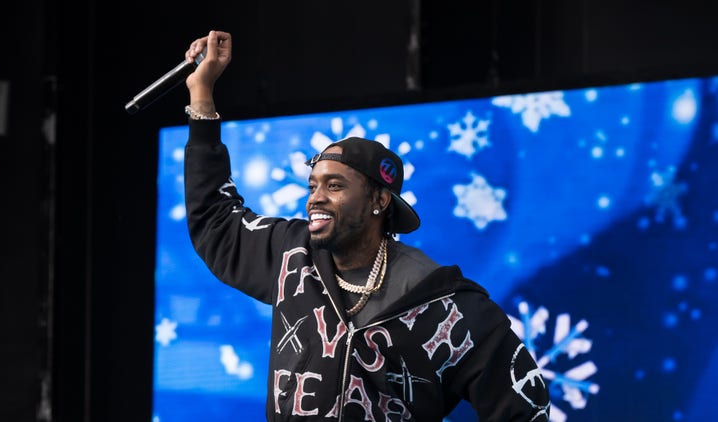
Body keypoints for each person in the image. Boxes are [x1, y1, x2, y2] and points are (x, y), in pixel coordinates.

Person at [182, 30, 551, 421]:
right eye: (313, 185)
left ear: (379, 201)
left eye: (335, 186)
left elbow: (525, 408)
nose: (315, 198)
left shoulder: (440, 302)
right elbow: (215, 218)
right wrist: (201, 93)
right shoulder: (292, 255)